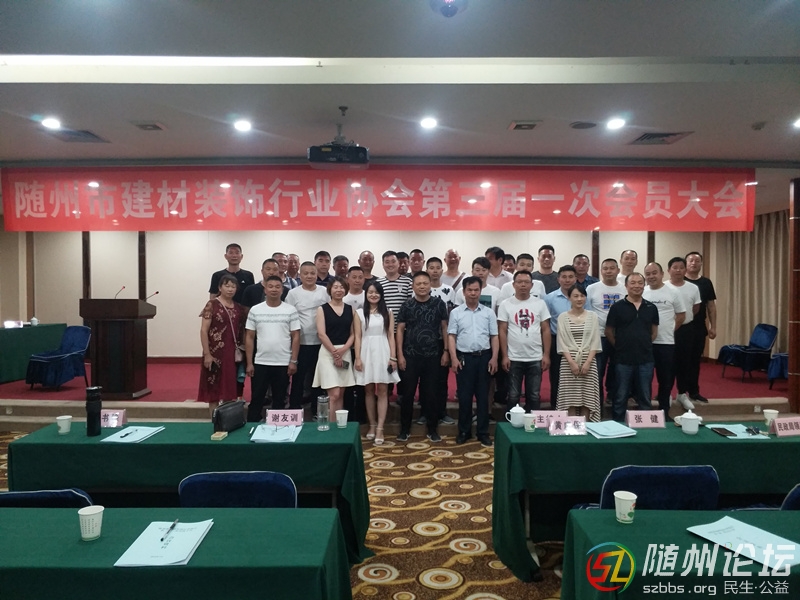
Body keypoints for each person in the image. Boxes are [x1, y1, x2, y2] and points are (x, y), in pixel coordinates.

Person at [396, 271, 449, 442]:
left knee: (431, 393)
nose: (422, 286)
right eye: (418, 284)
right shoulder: (406, 305)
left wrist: (446, 351)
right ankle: (405, 429)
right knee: (408, 393)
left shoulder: (439, 304)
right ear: (413, 286)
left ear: (430, 285)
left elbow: (444, 328)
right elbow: (400, 330)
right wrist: (399, 355)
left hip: (433, 355)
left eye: (425, 283)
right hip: (410, 355)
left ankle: (432, 429)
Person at [448, 276, 499, 447]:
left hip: (484, 357)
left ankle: (483, 432)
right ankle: (464, 431)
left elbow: (494, 337)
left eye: (476, 290)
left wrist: (494, 357)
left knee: (483, 397)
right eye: (469, 290)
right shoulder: (456, 313)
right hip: (464, 358)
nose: (473, 293)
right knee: (465, 396)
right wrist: (453, 358)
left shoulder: (488, 312)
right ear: (463, 292)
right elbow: (451, 336)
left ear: (480, 291)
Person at [244, 275, 300, 421]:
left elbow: (296, 336)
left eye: (277, 287)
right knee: (257, 398)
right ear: (265, 289)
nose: (274, 289)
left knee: (279, 400)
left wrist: (293, 361)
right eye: (270, 286)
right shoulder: (255, 310)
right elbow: (249, 337)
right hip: (261, 361)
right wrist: (249, 363)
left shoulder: (290, 310)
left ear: (282, 290)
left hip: (283, 362)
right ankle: (252, 426)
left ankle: (277, 429)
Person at [605, 273, 659, 423]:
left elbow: (654, 332)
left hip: (646, 359)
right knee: (620, 395)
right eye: (633, 283)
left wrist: (643, 344)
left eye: (640, 283)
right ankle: (617, 424)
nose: (636, 286)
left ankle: (646, 426)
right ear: (626, 286)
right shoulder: (617, 307)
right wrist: (620, 346)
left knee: (645, 395)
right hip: (622, 359)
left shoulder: (651, 307)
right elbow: (609, 331)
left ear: (644, 285)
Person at [353, 281, 401, 445]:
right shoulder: (359, 313)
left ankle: (380, 428)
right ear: (366, 294)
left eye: (376, 292)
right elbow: (358, 336)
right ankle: (372, 425)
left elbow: (391, 335)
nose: (373, 295)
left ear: (381, 294)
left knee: (382, 390)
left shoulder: (388, 312)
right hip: (366, 352)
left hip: (383, 351)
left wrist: (393, 357)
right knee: (368, 391)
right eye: (370, 292)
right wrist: (357, 358)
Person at [497, 270, 551, 412]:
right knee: (513, 395)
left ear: (532, 285)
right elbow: (502, 331)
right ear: (513, 285)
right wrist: (504, 356)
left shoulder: (540, 303)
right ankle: (513, 423)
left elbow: (546, 330)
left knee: (534, 395)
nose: (523, 285)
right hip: (514, 357)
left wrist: (546, 355)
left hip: (535, 357)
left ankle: (532, 423)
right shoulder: (505, 304)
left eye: (526, 282)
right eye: (519, 282)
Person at [198, 273, 248, 416]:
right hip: (215, 352)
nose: (230, 289)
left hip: (233, 353)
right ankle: (214, 420)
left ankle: (226, 420)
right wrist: (207, 354)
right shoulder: (212, 304)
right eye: (227, 286)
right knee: (213, 388)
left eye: (233, 286)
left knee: (229, 388)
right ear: (220, 287)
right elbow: (204, 330)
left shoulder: (238, 308)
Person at [643, 262, 686, 421]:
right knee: (644, 379)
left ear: (662, 274)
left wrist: (669, 330)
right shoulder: (643, 291)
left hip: (666, 343)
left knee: (665, 379)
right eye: (648, 274)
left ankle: (664, 411)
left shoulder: (673, 292)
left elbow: (681, 315)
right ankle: (645, 410)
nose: (651, 276)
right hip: (645, 343)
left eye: (654, 273)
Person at [285, 261, 330, 409]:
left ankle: (317, 409)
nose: (309, 276)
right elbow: (288, 317)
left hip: (321, 342)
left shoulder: (324, 291)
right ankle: (294, 408)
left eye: (312, 273)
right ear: (300, 275)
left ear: (317, 274)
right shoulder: (293, 293)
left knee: (318, 378)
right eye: (306, 273)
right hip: (301, 343)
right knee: (299, 377)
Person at [556, 284, 602, 421]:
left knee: (587, 397)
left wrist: (588, 362)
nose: (579, 299)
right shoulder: (562, 317)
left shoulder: (593, 316)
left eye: (582, 296)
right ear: (569, 298)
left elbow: (595, 340)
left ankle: (586, 427)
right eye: (575, 296)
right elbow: (561, 342)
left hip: (589, 361)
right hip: (568, 361)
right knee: (570, 397)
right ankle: (572, 428)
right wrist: (571, 362)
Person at [313, 276, 356, 413]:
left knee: (341, 394)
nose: (339, 290)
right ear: (330, 290)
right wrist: (335, 353)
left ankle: (339, 423)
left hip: (345, 352)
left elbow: (353, 334)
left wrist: (343, 350)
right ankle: (330, 425)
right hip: (328, 353)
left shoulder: (350, 309)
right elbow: (321, 334)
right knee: (334, 394)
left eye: (342, 287)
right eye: (336, 287)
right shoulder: (322, 309)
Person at [585, 258, 625, 404]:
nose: (608, 271)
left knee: (616, 369)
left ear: (618, 270)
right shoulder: (592, 288)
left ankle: (612, 396)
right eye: (605, 268)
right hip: (598, 336)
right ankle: (597, 400)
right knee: (598, 370)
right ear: (601, 271)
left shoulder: (624, 288)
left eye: (612, 268)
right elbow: (586, 311)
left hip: (619, 336)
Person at [665, 257, 702, 411]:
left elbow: (695, 309)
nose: (678, 270)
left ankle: (682, 393)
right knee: (667, 363)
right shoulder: (663, 287)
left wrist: (681, 321)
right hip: (667, 331)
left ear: (685, 270)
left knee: (685, 362)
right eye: (675, 267)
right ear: (668, 270)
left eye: (681, 267)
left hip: (686, 329)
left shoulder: (693, 288)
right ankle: (666, 393)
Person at [684, 251, 717, 404]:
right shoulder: (679, 281)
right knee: (676, 361)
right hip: (680, 327)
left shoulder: (706, 283)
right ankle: (672, 392)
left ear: (701, 264)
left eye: (697, 261)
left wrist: (713, 326)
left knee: (695, 361)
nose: (693, 263)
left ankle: (693, 391)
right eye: (690, 260)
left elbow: (711, 306)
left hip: (698, 327)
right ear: (686, 263)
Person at [427, 256, 457, 424]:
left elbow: (451, 316)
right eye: (431, 268)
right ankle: (425, 412)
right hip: (425, 341)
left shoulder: (449, 290)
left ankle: (442, 411)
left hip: (443, 340)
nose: (435, 271)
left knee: (441, 378)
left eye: (438, 267)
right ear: (427, 270)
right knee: (425, 379)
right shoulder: (420, 288)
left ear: (442, 270)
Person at [544, 265, 577, 407]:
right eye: (564, 277)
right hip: (556, 340)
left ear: (575, 279)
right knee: (557, 376)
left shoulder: (582, 297)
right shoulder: (549, 298)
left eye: (570, 277)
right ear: (558, 279)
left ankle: (575, 407)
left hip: (577, 341)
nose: (567, 280)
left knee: (577, 376)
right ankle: (556, 408)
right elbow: (545, 323)